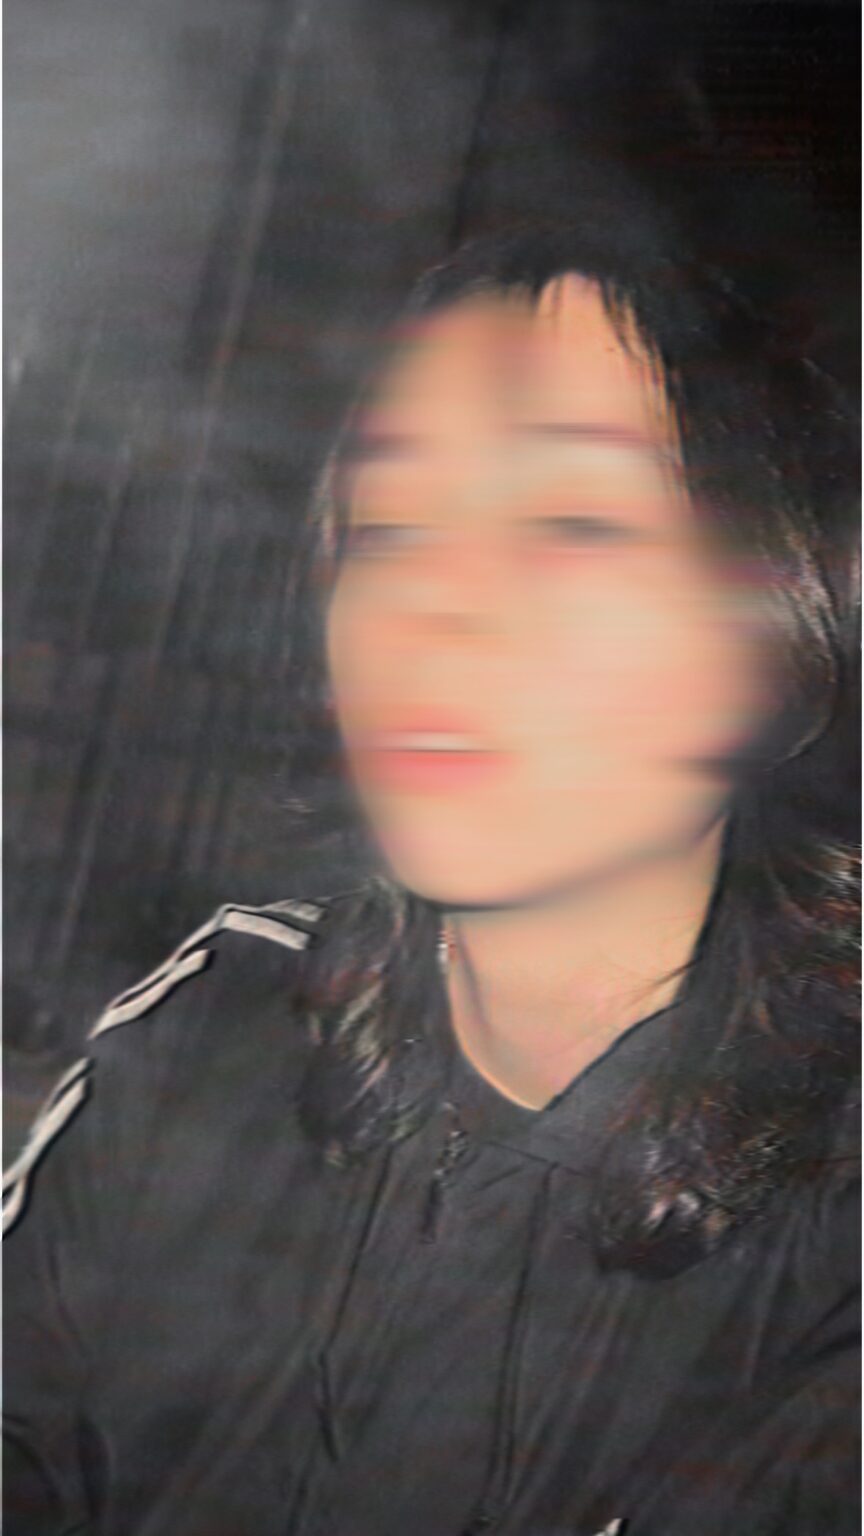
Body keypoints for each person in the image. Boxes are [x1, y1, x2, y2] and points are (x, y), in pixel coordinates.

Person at [4, 205, 860, 1536]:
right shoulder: (218, 1025)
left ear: (779, 620)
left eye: (575, 521)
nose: (432, 604)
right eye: (389, 526)